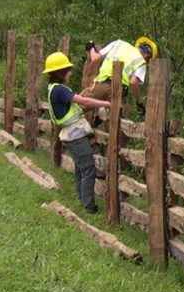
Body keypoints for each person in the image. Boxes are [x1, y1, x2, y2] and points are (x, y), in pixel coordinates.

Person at [43, 51, 112, 213]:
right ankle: (89, 206)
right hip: (74, 135)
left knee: (81, 168)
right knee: (88, 168)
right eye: (67, 70)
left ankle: (82, 199)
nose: (69, 73)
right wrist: (107, 104)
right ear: (60, 72)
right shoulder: (60, 90)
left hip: (71, 134)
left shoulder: (53, 89)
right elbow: (84, 101)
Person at [82, 36, 158, 121]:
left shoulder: (118, 44)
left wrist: (91, 47)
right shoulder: (141, 62)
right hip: (119, 93)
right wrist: (139, 102)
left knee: (76, 107)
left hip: (102, 84)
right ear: (147, 56)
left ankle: (99, 115)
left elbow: (95, 58)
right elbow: (133, 82)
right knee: (115, 123)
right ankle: (101, 114)